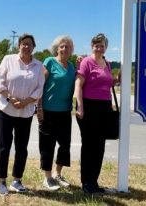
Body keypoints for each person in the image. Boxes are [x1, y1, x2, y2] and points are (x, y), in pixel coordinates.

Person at [0, 33, 45, 196]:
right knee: (3, 147)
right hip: (5, 109)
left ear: (33, 47)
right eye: (23, 43)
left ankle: (17, 180)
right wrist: (11, 98)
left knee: (21, 148)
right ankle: (2, 181)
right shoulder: (8, 60)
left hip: (26, 111)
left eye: (29, 44)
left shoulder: (38, 65)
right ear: (19, 46)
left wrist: (26, 101)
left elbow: (39, 88)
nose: (26, 46)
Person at [74, 33, 119, 195]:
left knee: (99, 147)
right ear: (92, 46)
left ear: (105, 47)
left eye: (101, 45)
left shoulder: (107, 63)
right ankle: (86, 183)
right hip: (88, 107)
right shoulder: (86, 61)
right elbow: (78, 84)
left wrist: (117, 79)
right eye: (96, 45)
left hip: (104, 108)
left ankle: (94, 182)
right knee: (89, 146)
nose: (98, 47)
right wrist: (80, 106)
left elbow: (107, 84)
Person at [37, 35, 75, 191]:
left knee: (65, 145)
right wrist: (39, 107)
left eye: (67, 46)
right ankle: (48, 178)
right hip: (48, 111)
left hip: (65, 111)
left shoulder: (72, 66)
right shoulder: (49, 62)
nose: (64, 49)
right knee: (47, 145)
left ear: (71, 49)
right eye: (62, 46)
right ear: (57, 48)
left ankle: (58, 174)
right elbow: (40, 85)